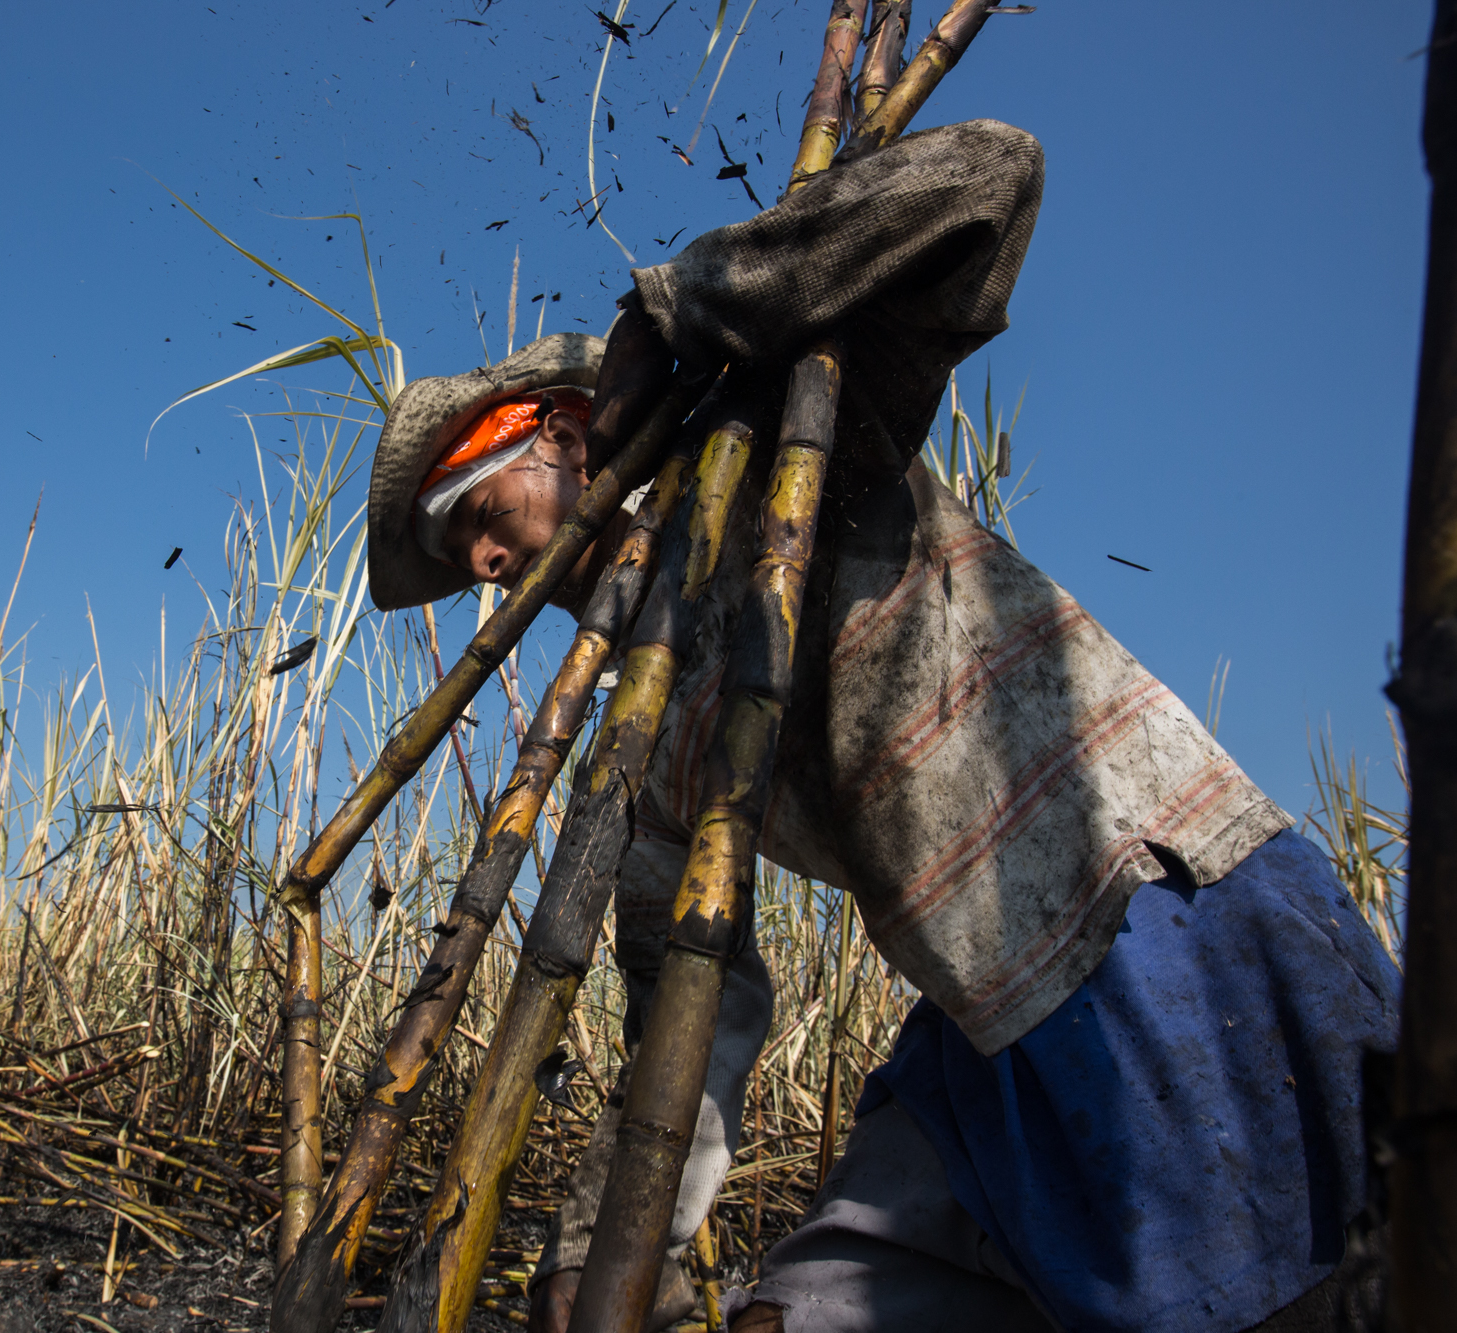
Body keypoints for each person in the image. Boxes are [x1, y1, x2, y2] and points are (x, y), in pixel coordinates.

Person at [363, 119, 1400, 1333]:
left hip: (1151, 914)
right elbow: (684, 1011)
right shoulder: (646, 732)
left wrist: (681, 310)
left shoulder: (782, 438)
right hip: (978, 1018)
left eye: (473, 515)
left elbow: (985, 176)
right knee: (792, 1313)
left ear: (556, 426)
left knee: (1318, 1290)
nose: (484, 565)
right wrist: (603, 1254)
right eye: (459, 560)